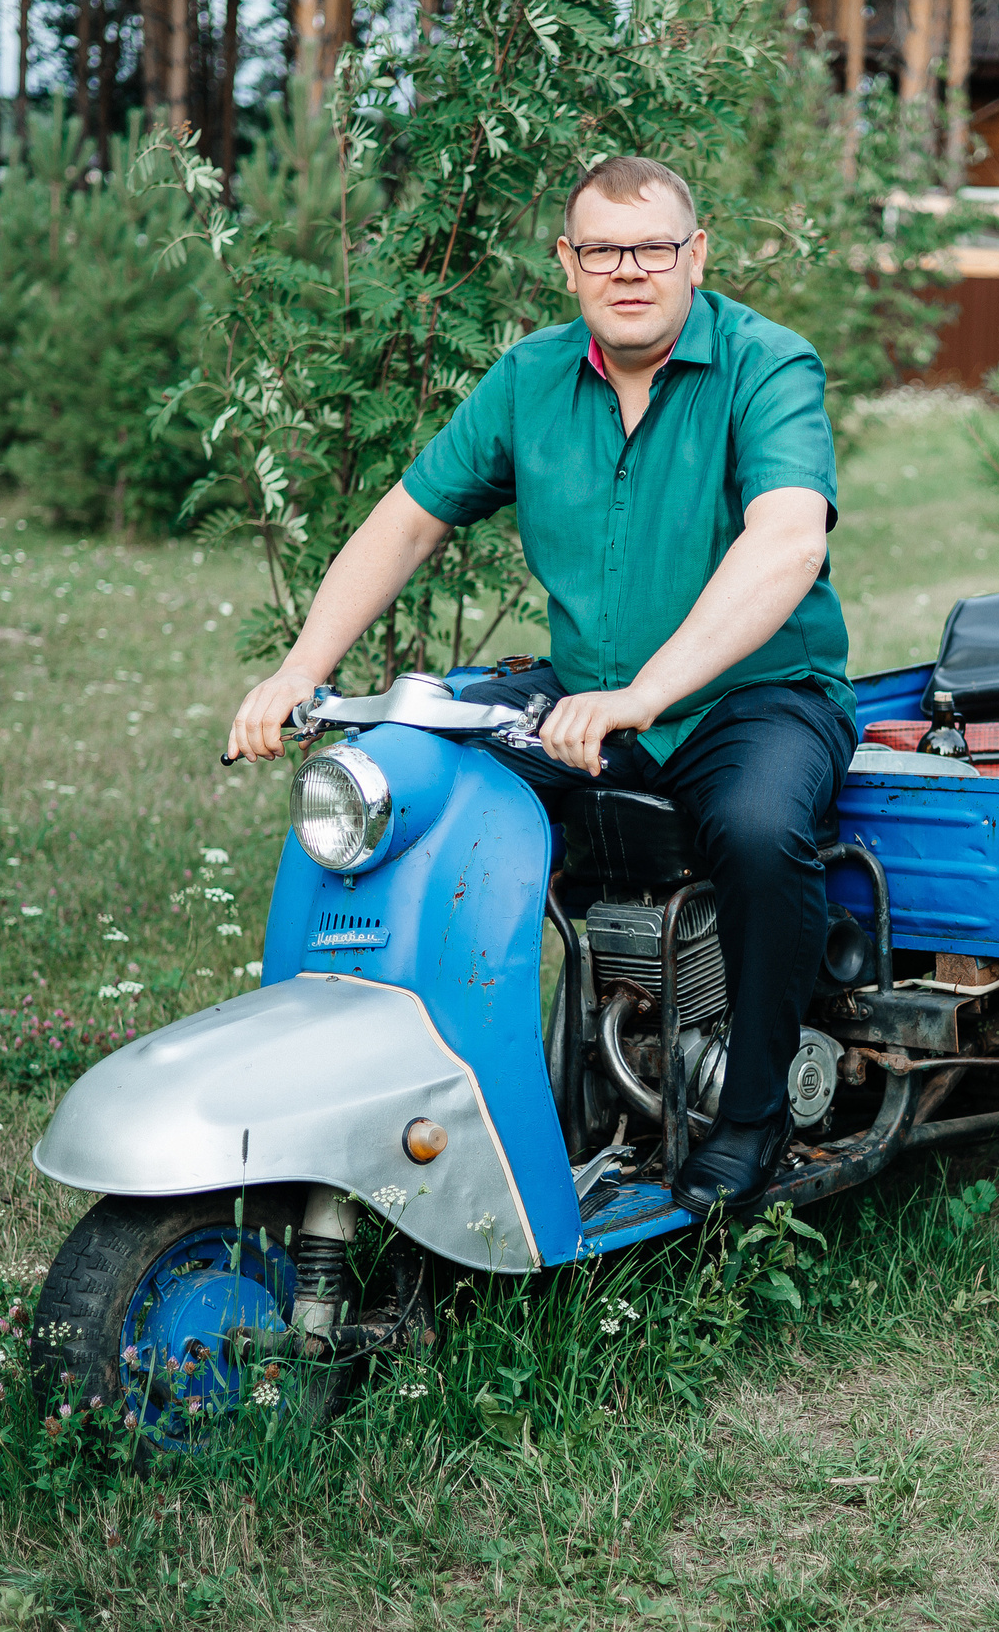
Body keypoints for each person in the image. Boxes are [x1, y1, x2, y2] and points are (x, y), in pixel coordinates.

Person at [226, 156, 855, 1218]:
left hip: (755, 696)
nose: (629, 271)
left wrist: (647, 693)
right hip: (587, 697)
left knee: (756, 834)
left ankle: (751, 1114)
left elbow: (786, 543)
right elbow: (409, 518)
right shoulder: (529, 378)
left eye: (653, 247)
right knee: (413, 797)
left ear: (694, 253)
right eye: (602, 249)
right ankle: (443, 1096)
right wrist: (302, 667)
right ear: (567, 263)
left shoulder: (766, 364)